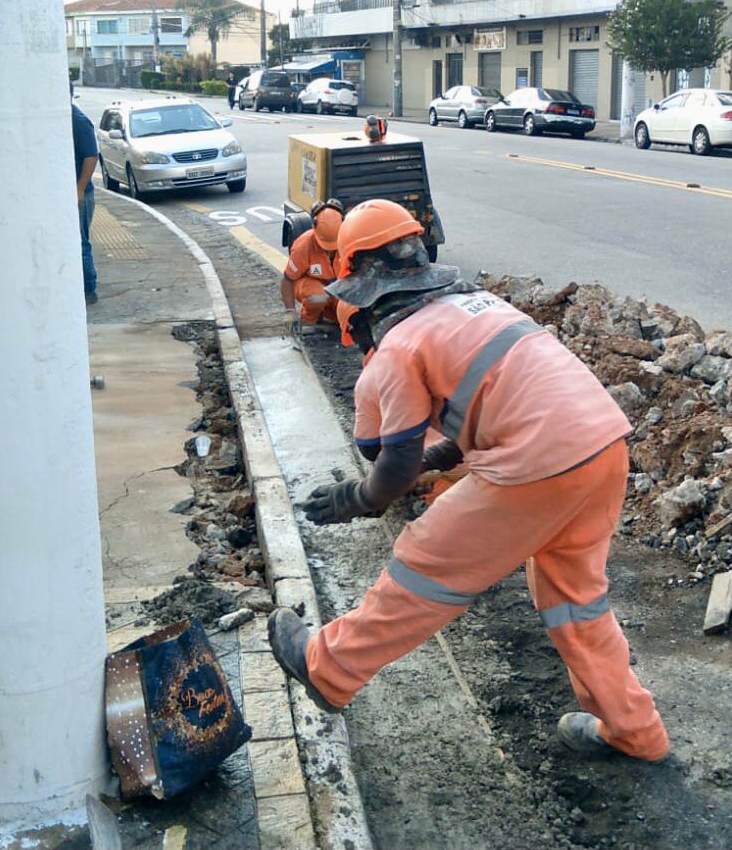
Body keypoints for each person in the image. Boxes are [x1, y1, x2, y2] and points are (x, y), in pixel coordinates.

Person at [268, 200, 670, 761]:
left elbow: (393, 461)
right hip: (601, 447)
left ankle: (327, 669)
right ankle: (635, 731)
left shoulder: (400, 345)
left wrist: (360, 498)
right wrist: (437, 461)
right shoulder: (482, 309)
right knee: (575, 603)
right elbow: (502, 403)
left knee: (425, 562)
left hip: (537, 466)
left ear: (360, 285)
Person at [280, 199, 344, 332]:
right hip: (310, 285)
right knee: (317, 297)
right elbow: (287, 279)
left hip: (339, 286)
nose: (329, 250)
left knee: (348, 309)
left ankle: (332, 315)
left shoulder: (348, 241)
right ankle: (308, 321)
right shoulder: (304, 246)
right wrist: (290, 311)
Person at [72, 102, 98, 305]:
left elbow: (91, 156)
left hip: (80, 194)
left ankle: (89, 289)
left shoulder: (78, 121)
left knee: (80, 243)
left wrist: (79, 189)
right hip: (73, 192)